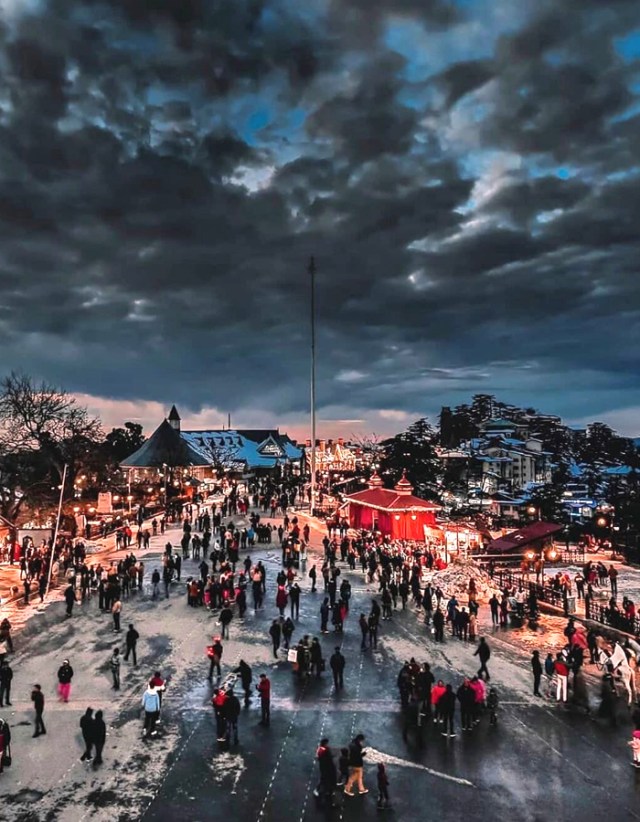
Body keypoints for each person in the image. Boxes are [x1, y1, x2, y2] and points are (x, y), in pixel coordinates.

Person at [315, 738, 338, 808]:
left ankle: (328, 790)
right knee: (324, 779)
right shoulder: (324, 750)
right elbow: (328, 757)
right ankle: (318, 789)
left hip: (325, 767)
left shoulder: (321, 749)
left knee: (326, 779)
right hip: (326, 767)